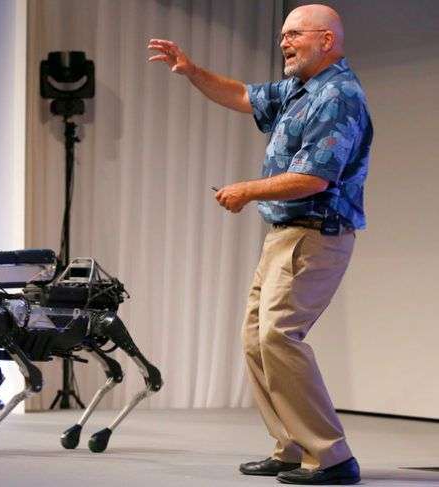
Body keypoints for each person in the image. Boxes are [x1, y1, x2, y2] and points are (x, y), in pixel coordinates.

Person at [148, 4, 371, 485]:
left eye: (294, 34)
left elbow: (314, 177)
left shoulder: (337, 96)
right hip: (285, 235)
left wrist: (246, 190)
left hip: (315, 234)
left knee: (278, 336)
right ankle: (291, 447)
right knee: (256, 339)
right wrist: (191, 72)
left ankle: (331, 457)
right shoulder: (299, 89)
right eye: (282, 35)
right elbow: (244, 95)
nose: (284, 42)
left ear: (326, 40)